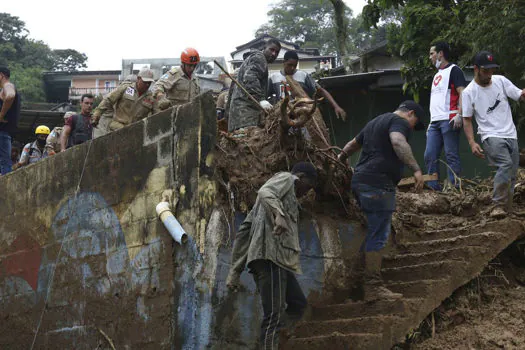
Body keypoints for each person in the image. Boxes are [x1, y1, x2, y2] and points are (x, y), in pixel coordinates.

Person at [338, 101, 425, 301]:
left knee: (373, 229)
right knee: (378, 233)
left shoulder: (374, 122)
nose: (412, 127)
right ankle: (373, 286)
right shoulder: (398, 122)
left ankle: (358, 280)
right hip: (378, 184)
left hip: (360, 182)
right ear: (410, 113)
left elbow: (351, 146)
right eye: (415, 122)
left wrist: (338, 160)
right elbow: (397, 142)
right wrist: (416, 169)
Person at [226, 162, 317, 349]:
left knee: (298, 304)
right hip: (270, 259)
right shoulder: (286, 179)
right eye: (307, 186)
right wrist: (279, 214)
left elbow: (245, 232)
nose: (306, 192)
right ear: (299, 177)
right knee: (273, 316)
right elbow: (265, 191)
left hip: (277, 261)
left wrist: (234, 270)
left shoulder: (265, 205)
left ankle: (274, 340)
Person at [462, 51, 525, 218]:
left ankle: (506, 213)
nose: (489, 74)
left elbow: (519, 95)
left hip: (510, 134)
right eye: (485, 70)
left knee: (511, 174)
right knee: (505, 165)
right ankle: (497, 205)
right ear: (476, 69)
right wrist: (471, 142)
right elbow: (467, 119)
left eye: (492, 70)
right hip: (490, 135)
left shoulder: (501, 81)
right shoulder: (469, 92)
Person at [424, 42, 467, 191]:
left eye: (432, 53)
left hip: (449, 119)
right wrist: (430, 122)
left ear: (440, 54)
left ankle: (454, 189)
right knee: (429, 155)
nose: (430, 57)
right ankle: (432, 188)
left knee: (451, 155)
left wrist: (460, 115)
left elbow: (462, 92)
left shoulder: (454, 70)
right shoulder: (437, 75)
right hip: (435, 122)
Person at [268, 50, 346, 120]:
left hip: (302, 115)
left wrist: (336, 106)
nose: (292, 68)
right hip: (283, 117)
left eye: (294, 66)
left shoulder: (303, 75)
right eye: (289, 65)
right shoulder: (274, 78)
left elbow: (321, 90)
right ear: (284, 62)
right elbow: (264, 96)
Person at [228, 38, 281, 132]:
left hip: (238, 115)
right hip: (246, 116)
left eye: (277, 52)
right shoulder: (260, 58)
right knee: (248, 144)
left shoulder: (251, 59)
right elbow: (250, 78)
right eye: (271, 50)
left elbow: (233, 87)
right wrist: (261, 99)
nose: (274, 54)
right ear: (265, 48)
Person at [91, 68, 156, 134]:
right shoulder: (125, 88)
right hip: (117, 129)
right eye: (145, 82)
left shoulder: (151, 97)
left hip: (135, 132)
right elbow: (108, 100)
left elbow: (156, 113)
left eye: (149, 83)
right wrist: (97, 113)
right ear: (138, 79)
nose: (147, 85)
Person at [0, 66, 21, 175]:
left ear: (1, 75)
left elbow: (10, 96)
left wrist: (1, 115)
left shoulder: (7, 85)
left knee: (4, 162)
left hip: (2, 133)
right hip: (5, 133)